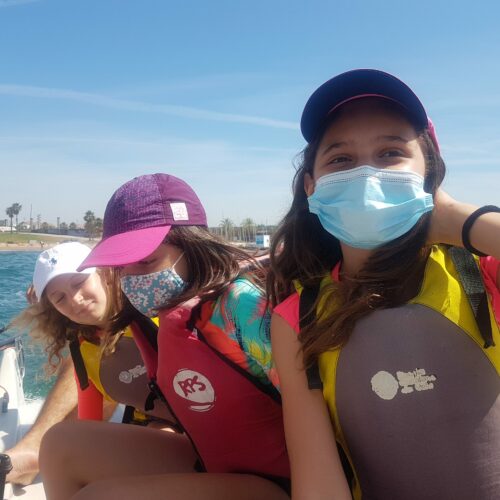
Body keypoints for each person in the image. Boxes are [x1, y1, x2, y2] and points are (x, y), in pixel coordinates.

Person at [268, 68, 500, 500]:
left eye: (391, 152)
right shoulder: (296, 318)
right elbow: (317, 480)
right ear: (311, 186)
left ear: (429, 174)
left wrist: (458, 220)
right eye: (341, 159)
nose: (366, 175)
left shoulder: (481, 275)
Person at [39, 173, 289, 500]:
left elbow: (316, 414)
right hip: (215, 461)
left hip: (278, 482)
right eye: (121, 266)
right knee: (60, 445)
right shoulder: (156, 315)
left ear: (190, 245)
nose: (133, 279)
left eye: (146, 261)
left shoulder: (243, 308)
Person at [6, 242, 174, 485]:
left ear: (105, 273)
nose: (75, 299)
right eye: (60, 298)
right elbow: (89, 424)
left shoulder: (154, 317)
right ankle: (35, 456)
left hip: (190, 425)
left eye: (79, 282)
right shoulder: (85, 350)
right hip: (146, 425)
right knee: (63, 443)